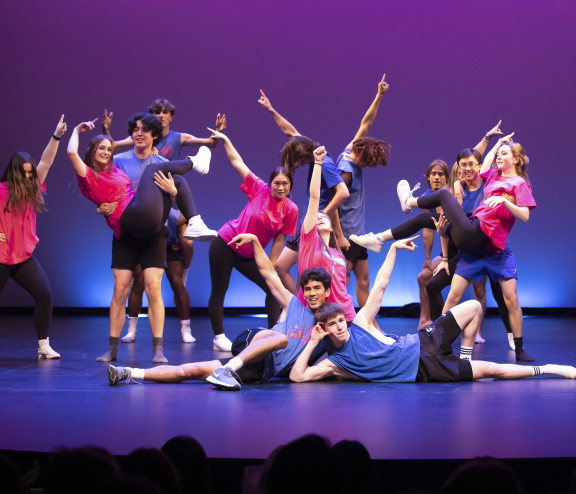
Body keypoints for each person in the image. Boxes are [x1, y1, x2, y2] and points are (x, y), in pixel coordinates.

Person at [350, 133, 536, 361]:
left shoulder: (518, 184)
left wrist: (505, 201)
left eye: (504, 154)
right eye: (497, 155)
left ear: (516, 159)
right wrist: (495, 143)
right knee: (451, 296)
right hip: (471, 236)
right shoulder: (494, 176)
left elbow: (525, 215)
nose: (498, 157)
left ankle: (518, 348)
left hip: (491, 243)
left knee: (509, 299)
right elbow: (481, 160)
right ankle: (438, 344)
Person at [289, 240, 576, 383]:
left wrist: (393, 249)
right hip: (426, 369)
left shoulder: (359, 324)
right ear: (324, 329)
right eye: (334, 324)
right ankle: (548, 369)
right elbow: (298, 377)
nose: (341, 326)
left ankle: (463, 355)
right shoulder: (335, 363)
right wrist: (313, 341)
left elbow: (380, 285)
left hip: (424, 340)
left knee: (474, 306)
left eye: (341, 320)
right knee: (493, 370)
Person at [106, 234, 335, 390]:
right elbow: (268, 274)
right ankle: (228, 370)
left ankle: (127, 373)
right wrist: (255, 242)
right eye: (307, 289)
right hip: (252, 343)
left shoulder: (329, 331)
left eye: (317, 289)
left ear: (327, 291)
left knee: (190, 371)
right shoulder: (293, 304)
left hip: (259, 370)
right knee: (281, 337)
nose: (311, 293)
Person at [67, 116, 211, 363]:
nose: (107, 152)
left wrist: (173, 193)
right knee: (120, 290)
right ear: (91, 151)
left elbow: (155, 196)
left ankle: (158, 350)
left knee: (172, 179)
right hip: (125, 232)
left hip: (150, 227)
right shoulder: (90, 176)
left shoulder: (116, 171)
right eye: (101, 148)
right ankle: (112, 349)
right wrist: (76, 130)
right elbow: (71, 153)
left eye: (109, 149)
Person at [104, 104, 226, 345]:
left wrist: (172, 193)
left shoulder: (161, 162)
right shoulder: (119, 161)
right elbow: (106, 189)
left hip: (156, 229)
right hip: (129, 228)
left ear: (155, 135)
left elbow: (173, 202)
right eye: (136, 130)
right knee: (129, 286)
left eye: (145, 131)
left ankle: (168, 340)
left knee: (157, 286)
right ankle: (127, 332)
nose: (139, 134)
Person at [206, 129, 299, 351]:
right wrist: (227, 139)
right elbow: (237, 162)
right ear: (270, 183)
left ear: (290, 186)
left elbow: (280, 238)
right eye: (277, 183)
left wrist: (272, 265)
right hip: (226, 243)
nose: (281, 188)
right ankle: (219, 338)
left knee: (272, 288)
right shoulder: (259, 189)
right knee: (220, 289)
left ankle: (273, 335)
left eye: (285, 184)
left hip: (249, 254)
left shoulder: (291, 209)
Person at [258, 89, 349, 294]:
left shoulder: (323, 163)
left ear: (302, 153)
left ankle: (303, 309)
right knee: (282, 268)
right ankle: (298, 306)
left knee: (305, 273)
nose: (296, 164)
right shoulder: (311, 153)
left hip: (316, 228)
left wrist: (321, 214)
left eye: (295, 159)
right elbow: (290, 131)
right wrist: (271, 110)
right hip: (307, 226)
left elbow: (342, 192)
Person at [428, 147, 514, 348]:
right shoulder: (455, 190)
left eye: (472, 165)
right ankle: (439, 335)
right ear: (459, 169)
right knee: (446, 291)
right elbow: (445, 226)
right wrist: (446, 258)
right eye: (463, 165)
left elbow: (484, 162)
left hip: (491, 247)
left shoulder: (488, 184)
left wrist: (493, 140)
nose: (468, 168)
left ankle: (504, 334)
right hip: (467, 249)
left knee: (494, 293)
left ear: (479, 166)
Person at [0, 116, 67, 359]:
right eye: (25, 173)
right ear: (14, 173)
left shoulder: (33, 187)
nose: (30, 177)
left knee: (44, 294)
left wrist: (56, 136)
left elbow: (46, 161)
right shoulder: (1, 191)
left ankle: (43, 346)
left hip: (23, 257)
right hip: (1, 258)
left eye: (31, 173)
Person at [335, 75, 390, 310]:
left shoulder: (351, 149)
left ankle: (367, 323)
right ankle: (343, 322)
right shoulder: (346, 170)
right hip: (346, 236)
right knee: (342, 281)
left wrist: (378, 96)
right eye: (368, 162)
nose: (368, 166)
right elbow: (332, 205)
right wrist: (339, 238)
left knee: (364, 280)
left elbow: (365, 123)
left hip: (359, 235)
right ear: (362, 156)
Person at [298, 146, 355, 321]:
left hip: (345, 317)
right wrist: (317, 163)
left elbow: (341, 289)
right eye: (318, 216)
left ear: (332, 227)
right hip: (316, 317)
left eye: (325, 216)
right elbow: (315, 198)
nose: (320, 216)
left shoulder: (337, 254)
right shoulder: (309, 243)